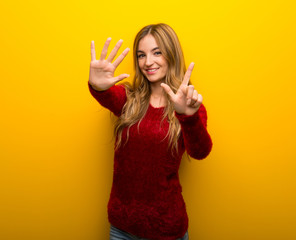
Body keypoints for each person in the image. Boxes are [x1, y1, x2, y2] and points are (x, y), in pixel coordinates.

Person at [88, 23, 213, 240]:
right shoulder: (129, 99)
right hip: (122, 227)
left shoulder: (189, 106)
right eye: (141, 55)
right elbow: (107, 95)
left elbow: (200, 152)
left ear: (171, 54)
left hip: (166, 230)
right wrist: (97, 85)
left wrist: (188, 117)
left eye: (157, 53)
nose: (148, 62)